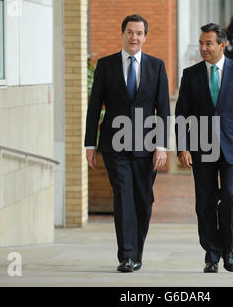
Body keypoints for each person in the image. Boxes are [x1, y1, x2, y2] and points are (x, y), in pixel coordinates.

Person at [84, 14, 170, 272]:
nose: (134, 37)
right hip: (114, 146)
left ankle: (136, 252)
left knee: (143, 200)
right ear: (122, 34)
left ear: (145, 36)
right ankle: (127, 256)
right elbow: (94, 106)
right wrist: (90, 144)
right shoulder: (106, 65)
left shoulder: (157, 66)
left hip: (146, 146)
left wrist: (162, 145)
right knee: (123, 196)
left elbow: (163, 109)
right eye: (130, 32)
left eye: (139, 33)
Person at [175, 23, 233, 273]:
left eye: (208, 43)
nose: (203, 48)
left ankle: (228, 250)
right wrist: (183, 147)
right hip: (201, 145)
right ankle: (211, 255)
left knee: (230, 197)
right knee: (204, 202)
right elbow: (181, 114)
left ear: (222, 45)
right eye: (201, 43)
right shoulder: (190, 74)